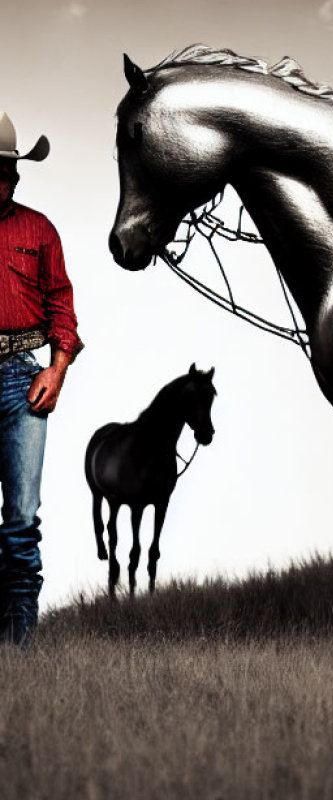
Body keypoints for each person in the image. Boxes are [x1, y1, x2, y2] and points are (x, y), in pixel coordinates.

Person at [0, 113, 83, 646]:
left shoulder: (40, 230)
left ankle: (21, 643)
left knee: (22, 519)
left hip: (23, 380)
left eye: (5, 170)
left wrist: (57, 370)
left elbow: (63, 307)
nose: (0, 179)